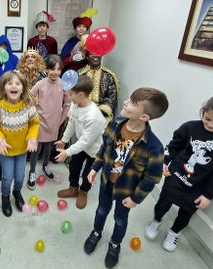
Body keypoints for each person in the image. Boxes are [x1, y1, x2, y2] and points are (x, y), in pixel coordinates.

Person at [145, 88, 213, 252]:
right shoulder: (190, 127)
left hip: (199, 187)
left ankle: (173, 233)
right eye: (207, 119)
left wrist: (209, 194)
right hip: (176, 175)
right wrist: (165, 162)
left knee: (186, 214)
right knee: (163, 202)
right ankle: (156, 221)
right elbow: (173, 146)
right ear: (203, 112)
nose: (211, 125)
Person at [83, 87, 169, 268]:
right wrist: (94, 168)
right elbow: (103, 148)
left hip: (127, 191)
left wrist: (136, 198)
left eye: (132, 103)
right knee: (101, 210)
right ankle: (96, 232)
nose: (125, 103)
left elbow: (152, 177)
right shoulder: (115, 124)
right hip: (107, 182)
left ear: (144, 117)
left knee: (120, 219)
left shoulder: (154, 147)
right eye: (129, 99)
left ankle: (115, 244)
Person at [0, 71, 39, 217]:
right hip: (5, 151)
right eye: (9, 83)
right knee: (7, 177)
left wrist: (32, 138)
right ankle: (5, 197)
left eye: (17, 83)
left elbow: (34, 123)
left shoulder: (28, 105)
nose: (13, 86)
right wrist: (0, 139)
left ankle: (17, 193)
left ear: (23, 87)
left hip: (22, 150)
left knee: (20, 176)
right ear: (3, 87)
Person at [53, 76, 105, 208]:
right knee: (74, 166)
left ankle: (83, 191)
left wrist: (67, 152)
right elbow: (71, 123)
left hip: (94, 150)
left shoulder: (94, 116)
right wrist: (64, 140)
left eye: (70, 94)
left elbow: (85, 141)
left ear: (81, 94)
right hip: (80, 146)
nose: (68, 96)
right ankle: (73, 188)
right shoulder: (76, 105)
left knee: (88, 173)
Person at [27, 55, 70, 190]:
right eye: (52, 69)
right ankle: (32, 171)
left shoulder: (64, 85)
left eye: (58, 69)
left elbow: (67, 104)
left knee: (48, 146)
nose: (55, 72)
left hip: (54, 122)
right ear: (46, 69)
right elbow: (29, 98)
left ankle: (46, 166)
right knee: (36, 148)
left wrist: (60, 120)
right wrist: (34, 112)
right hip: (39, 122)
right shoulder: (40, 84)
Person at [79, 51, 120, 122]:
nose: (95, 56)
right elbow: (74, 95)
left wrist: (98, 112)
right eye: (92, 54)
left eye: (98, 53)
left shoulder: (109, 75)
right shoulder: (80, 74)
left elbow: (111, 98)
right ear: (87, 57)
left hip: (101, 114)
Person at [60, 8, 97, 74]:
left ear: (86, 29)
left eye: (84, 27)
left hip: (85, 71)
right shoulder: (71, 42)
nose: (81, 28)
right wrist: (72, 58)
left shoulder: (91, 42)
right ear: (75, 29)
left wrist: (86, 57)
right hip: (71, 70)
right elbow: (63, 59)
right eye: (79, 26)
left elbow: (95, 58)